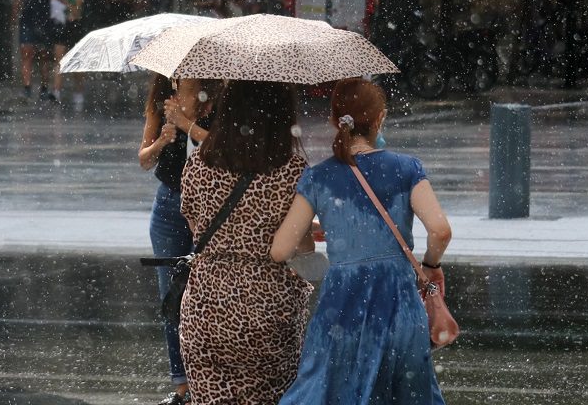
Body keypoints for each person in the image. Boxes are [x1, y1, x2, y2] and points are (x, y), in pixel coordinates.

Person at [271, 78, 451, 405]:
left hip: (341, 306)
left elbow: (281, 249)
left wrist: (330, 230)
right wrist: (430, 264)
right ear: (380, 118)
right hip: (398, 301)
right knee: (405, 393)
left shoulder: (318, 177)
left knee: (329, 390)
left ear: (334, 121)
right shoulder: (407, 169)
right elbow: (440, 230)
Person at [179, 79, 310, 404]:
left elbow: (196, 230)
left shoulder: (198, 165)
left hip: (206, 308)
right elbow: (303, 248)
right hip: (269, 312)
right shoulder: (294, 172)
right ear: (282, 116)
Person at [138, 76, 218, 405]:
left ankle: (210, 380)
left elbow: (220, 148)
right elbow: (144, 158)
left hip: (210, 206)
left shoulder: (216, 97)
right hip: (170, 204)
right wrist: (161, 141)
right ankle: (182, 386)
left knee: (207, 295)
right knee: (172, 297)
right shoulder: (161, 96)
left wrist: (185, 124)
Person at [14, 0, 56, 101]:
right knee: (27, 53)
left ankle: (44, 88)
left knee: (44, 55)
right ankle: (27, 87)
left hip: (45, 19)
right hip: (28, 17)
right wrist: (15, 11)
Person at [51, 0, 86, 111]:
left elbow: (77, 12)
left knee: (75, 62)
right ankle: (56, 91)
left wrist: (64, 0)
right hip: (61, 26)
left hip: (74, 28)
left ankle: (78, 90)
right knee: (59, 60)